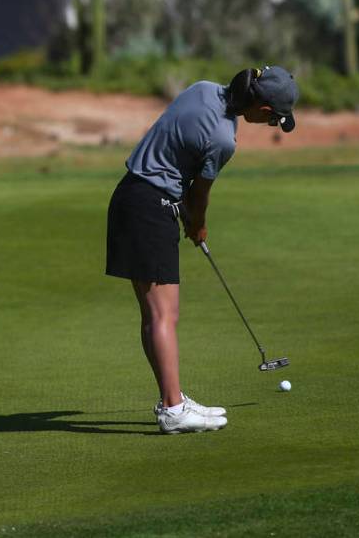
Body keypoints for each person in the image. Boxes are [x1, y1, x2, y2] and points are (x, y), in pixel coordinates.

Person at [105, 65, 299, 434]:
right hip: (149, 208)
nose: (272, 126)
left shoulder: (203, 88)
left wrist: (187, 216)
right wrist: (197, 224)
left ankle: (173, 396)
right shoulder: (224, 138)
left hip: (137, 198)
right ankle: (173, 410)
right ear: (261, 109)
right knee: (161, 316)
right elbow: (200, 194)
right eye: (275, 120)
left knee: (165, 313)